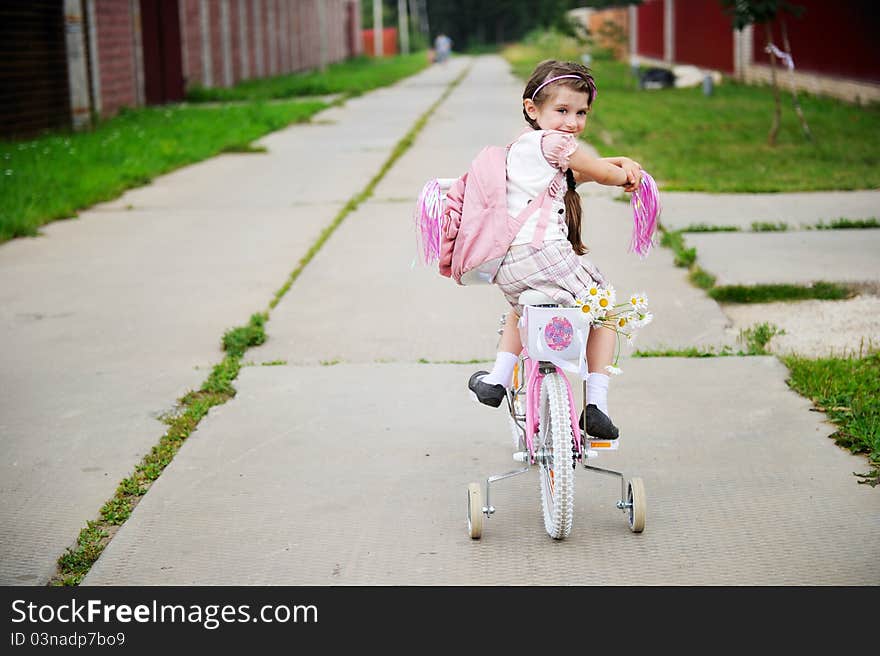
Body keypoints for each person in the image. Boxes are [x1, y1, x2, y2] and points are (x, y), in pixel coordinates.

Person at [467, 59, 643, 440]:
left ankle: (496, 380)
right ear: (533, 109)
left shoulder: (520, 149)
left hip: (510, 265)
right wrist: (627, 171)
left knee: (520, 313)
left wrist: (612, 165)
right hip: (545, 255)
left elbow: (578, 174)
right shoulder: (556, 142)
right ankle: (596, 406)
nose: (573, 122)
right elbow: (601, 173)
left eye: (581, 113)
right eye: (561, 110)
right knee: (607, 312)